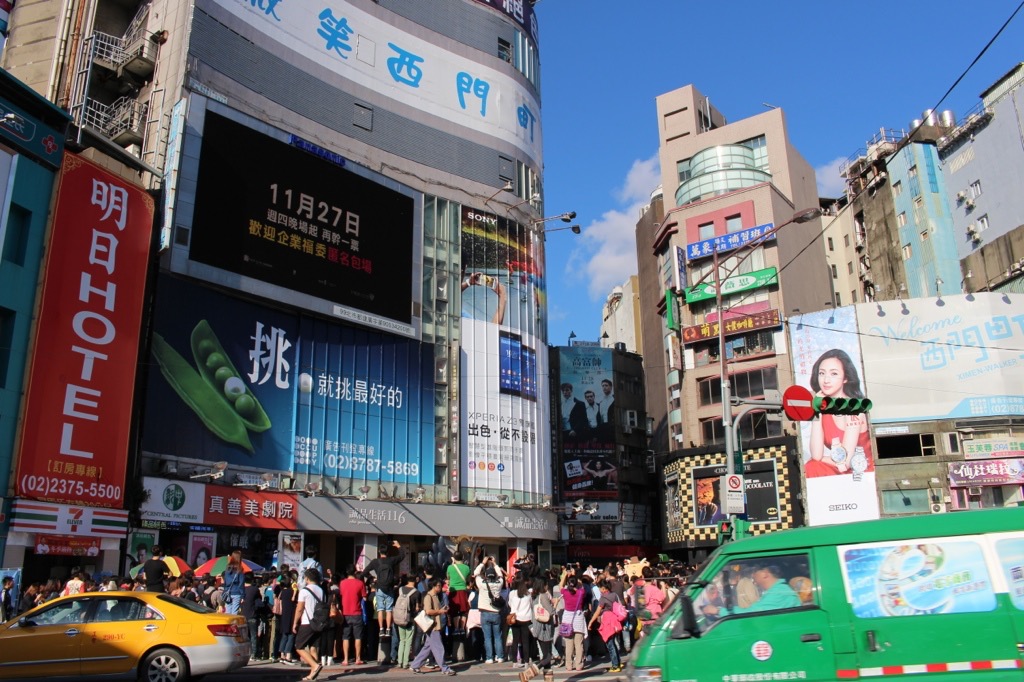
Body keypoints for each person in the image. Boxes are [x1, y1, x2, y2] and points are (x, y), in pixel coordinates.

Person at [805, 348, 874, 477]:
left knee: (813, 466)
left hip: (862, 472)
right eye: (821, 373)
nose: (826, 380)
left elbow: (845, 462)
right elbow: (816, 455)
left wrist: (821, 459)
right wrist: (817, 411)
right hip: (839, 469)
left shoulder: (854, 407)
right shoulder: (824, 410)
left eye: (834, 374)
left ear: (845, 378)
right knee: (811, 466)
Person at [701, 565, 800, 616]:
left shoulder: (779, 593)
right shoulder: (777, 591)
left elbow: (752, 612)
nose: (752, 575)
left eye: (755, 572)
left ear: (765, 574)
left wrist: (718, 610)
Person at [409, 579, 456, 675]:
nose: (440, 587)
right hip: (432, 626)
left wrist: (442, 610)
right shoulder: (429, 597)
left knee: (427, 647)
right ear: (433, 586)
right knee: (439, 648)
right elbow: (428, 611)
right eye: (438, 585)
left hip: (434, 625)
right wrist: (440, 611)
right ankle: (445, 668)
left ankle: (415, 665)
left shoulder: (435, 596)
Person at [364, 539, 406, 638]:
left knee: (380, 609)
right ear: (387, 552)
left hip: (379, 588)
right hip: (389, 589)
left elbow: (364, 572)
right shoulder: (391, 560)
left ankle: (381, 629)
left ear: (379, 552)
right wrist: (398, 545)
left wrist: (373, 578)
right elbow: (402, 556)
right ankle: (388, 629)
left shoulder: (375, 562)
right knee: (388, 610)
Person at [294, 568, 325, 681]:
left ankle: (315, 665)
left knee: (298, 646)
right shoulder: (321, 591)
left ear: (306, 578)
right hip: (319, 622)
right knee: (313, 647)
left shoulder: (304, 591)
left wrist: (295, 623)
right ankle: (312, 674)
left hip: (307, 622)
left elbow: (299, 608)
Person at [588, 579, 624, 673]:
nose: (599, 590)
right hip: (615, 621)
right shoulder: (614, 595)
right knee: (613, 643)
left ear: (603, 588)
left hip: (607, 621)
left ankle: (615, 665)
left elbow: (597, 611)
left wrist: (591, 621)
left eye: (600, 588)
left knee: (609, 644)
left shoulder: (603, 598)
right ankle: (618, 662)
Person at [475, 556, 506, 664]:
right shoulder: (499, 584)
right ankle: (500, 656)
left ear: (486, 575)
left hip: (485, 613)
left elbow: (476, 573)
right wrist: (495, 563)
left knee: (487, 637)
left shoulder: (482, 584)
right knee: (498, 636)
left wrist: (482, 563)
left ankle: (489, 658)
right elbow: (501, 575)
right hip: (496, 613)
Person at [558, 570, 587, 672]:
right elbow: (581, 585)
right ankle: (579, 664)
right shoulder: (581, 592)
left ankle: (569, 665)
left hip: (567, 620)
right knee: (579, 644)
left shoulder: (565, 592)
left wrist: (565, 575)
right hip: (578, 619)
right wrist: (576, 576)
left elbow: (560, 586)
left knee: (569, 644)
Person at [338, 565, 367, 666]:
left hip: (346, 612)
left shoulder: (342, 583)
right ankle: (358, 658)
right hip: (357, 612)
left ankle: (345, 659)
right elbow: (364, 596)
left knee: (345, 636)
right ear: (355, 572)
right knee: (358, 637)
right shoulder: (360, 583)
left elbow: (341, 594)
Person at [395, 574, 422, 669]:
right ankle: (405, 662)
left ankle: (399, 662)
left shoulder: (400, 589)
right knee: (408, 641)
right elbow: (417, 607)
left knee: (402, 640)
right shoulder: (416, 592)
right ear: (415, 580)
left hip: (399, 617)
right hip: (410, 618)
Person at [446, 551, 471, 636]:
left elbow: (448, 577)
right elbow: (468, 579)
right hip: (463, 591)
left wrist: (453, 564)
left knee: (455, 610)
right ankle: (462, 627)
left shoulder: (450, 567)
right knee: (464, 611)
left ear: (454, 558)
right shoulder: (467, 568)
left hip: (453, 591)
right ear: (462, 557)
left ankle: (456, 628)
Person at [222, 550, 246, 615]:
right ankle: (232, 625)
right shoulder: (239, 569)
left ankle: (227, 624)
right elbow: (241, 584)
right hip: (237, 592)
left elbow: (225, 582)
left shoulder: (227, 568)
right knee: (234, 613)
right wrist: (243, 596)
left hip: (228, 593)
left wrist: (225, 591)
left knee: (227, 612)